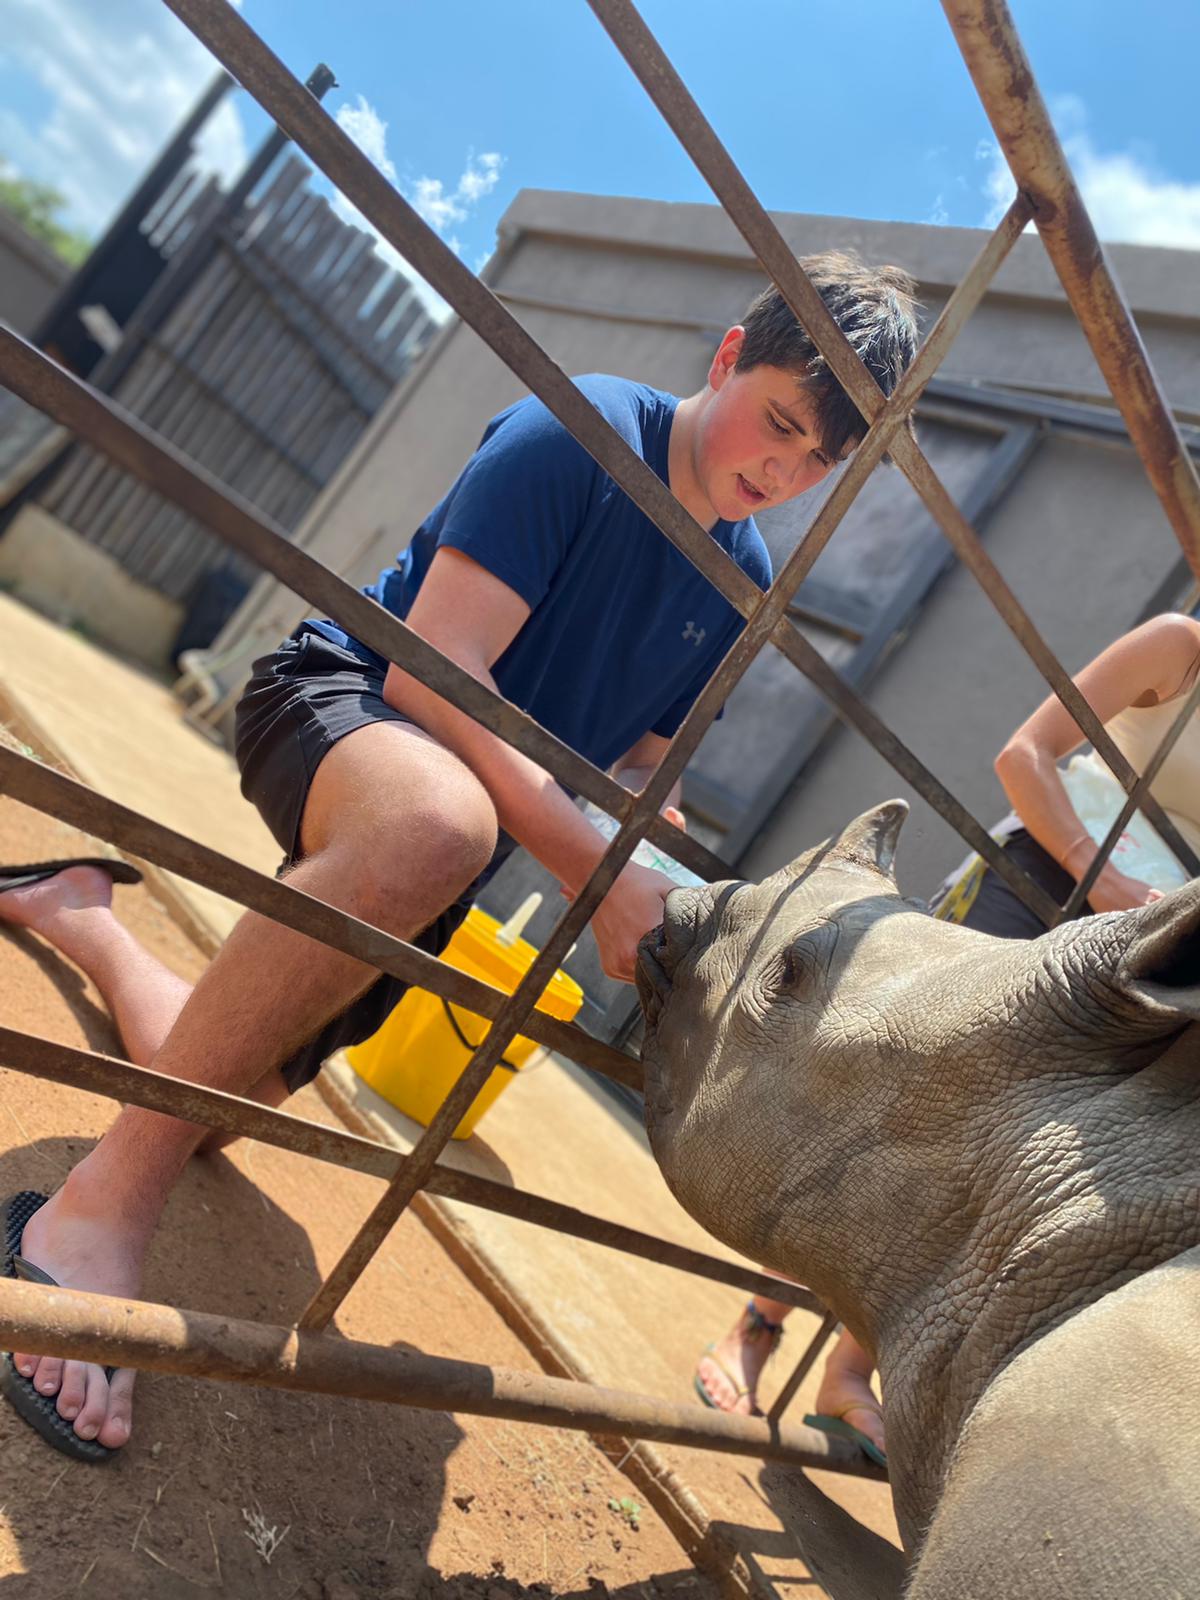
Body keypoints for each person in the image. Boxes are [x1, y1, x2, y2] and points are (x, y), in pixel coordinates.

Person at [0, 254, 921, 1460]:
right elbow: (432, 660)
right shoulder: (575, 433)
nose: (782, 470)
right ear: (727, 360)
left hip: (461, 823)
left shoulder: (741, 579)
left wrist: (668, 863)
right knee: (438, 828)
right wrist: (594, 869)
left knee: (214, 1097)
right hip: (348, 704)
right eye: (783, 422)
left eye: (817, 463)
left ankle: (80, 913)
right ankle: (89, 1216)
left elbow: (642, 767)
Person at [693, 610, 1200, 1460]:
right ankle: (754, 1325)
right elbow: (1024, 755)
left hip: (1133, 969)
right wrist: (1100, 875)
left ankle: (848, 1376)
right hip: (1043, 879)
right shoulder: (1180, 645)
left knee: (992, 1160)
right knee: (900, 1102)